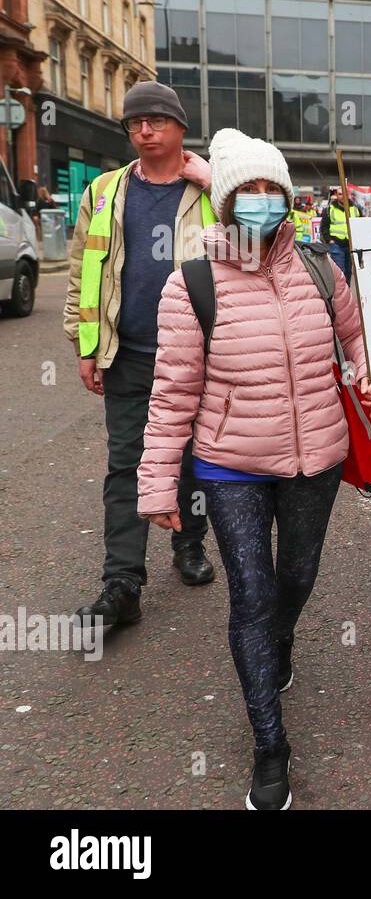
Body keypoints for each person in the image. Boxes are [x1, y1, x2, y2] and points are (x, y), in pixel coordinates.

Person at [137, 128, 371, 809]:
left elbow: (357, 348)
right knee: (251, 593)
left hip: (316, 459)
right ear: (228, 200)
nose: (263, 202)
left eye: (275, 190)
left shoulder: (324, 271)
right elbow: (173, 390)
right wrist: (157, 483)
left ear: (289, 199)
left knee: (296, 577)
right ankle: (271, 745)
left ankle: (282, 640)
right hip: (230, 466)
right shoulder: (194, 284)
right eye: (250, 191)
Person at [66, 81, 217, 632]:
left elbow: (255, 243)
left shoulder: (208, 193)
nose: (144, 130)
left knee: (191, 457)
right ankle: (122, 582)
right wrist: (84, 345)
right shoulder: (105, 191)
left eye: (155, 120)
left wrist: (213, 180)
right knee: (126, 463)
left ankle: (189, 543)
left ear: (180, 126)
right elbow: (85, 269)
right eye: (134, 122)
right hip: (126, 353)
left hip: (195, 353)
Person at [322, 186, 360, 282]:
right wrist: (329, 240)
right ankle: (340, 295)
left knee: (348, 271)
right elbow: (324, 226)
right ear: (336, 195)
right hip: (336, 244)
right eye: (339, 194)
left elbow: (361, 225)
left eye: (344, 193)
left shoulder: (355, 209)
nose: (342, 196)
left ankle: (346, 293)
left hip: (351, 244)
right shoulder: (330, 209)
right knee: (339, 272)